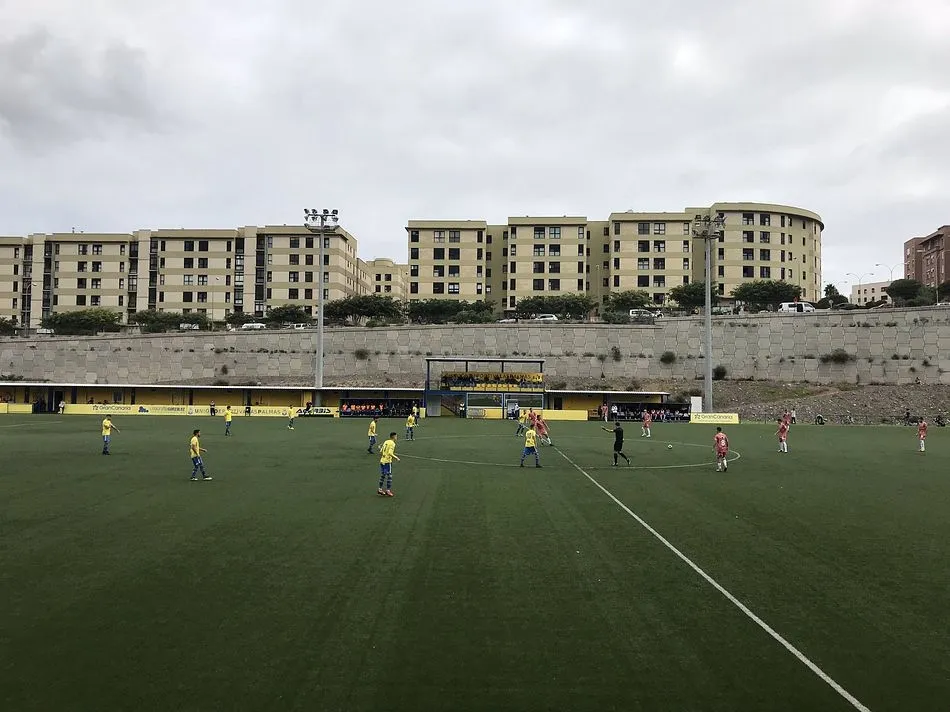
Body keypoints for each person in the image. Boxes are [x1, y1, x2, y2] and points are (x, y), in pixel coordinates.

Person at [377, 432, 399, 497]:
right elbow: (390, 453)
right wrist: (396, 457)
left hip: (382, 461)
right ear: (394, 437)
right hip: (387, 462)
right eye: (396, 436)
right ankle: (388, 490)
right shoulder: (392, 444)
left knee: (383, 475)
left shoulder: (386, 441)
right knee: (389, 476)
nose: (396, 438)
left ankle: (380, 489)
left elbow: (381, 450)